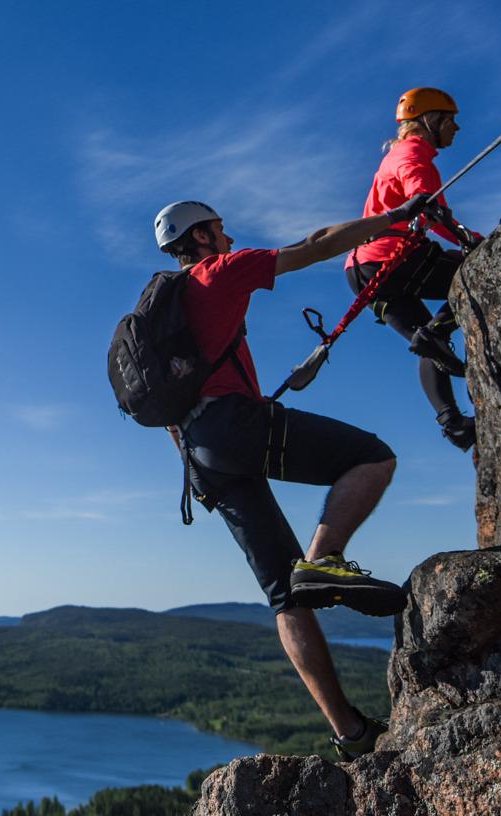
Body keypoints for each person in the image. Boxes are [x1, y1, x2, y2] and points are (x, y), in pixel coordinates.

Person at [151, 194, 432, 761]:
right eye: (220, 230)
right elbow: (314, 245)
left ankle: (350, 734)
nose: (229, 237)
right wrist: (392, 220)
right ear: (201, 238)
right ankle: (324, 558)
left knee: (284, 598)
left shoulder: (163, 311)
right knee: (373, 457)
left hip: (198, 453)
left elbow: (161, 405)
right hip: (233, 425)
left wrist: (201, 455)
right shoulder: (220, 271)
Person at [345, 88, 486, 452]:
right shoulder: (411, 152)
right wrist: (474, 242)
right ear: (429, 121)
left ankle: (453, 424)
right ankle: (436, 332)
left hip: (363, 271)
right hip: (391, 258)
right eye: (450, 119)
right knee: (480, 273)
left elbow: (431, 212)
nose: (456, 127)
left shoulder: (395, 155)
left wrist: (461, 234)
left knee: (427, 345)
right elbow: (421, 196)